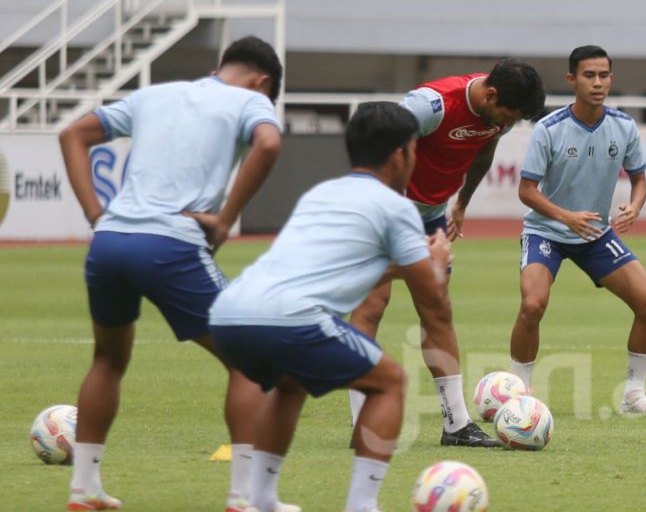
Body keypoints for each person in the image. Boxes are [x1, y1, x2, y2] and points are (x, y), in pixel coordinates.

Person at [58, 37, 285, 511]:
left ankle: (84, 489)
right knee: (249, 360)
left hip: (110, 244)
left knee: (108, 360)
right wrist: (224, 219)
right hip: (169, 244)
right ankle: (246, 499)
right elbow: (268, 142)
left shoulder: (153, 95)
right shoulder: (250, 101)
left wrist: (97, 216)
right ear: (263, 82)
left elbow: (71, 135)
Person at [209, 102, 451, 512]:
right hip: (287, 317)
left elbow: (334, 270)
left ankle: (260, 500)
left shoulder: (322, 193)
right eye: (415, 149)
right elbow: (433, 297)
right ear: (400, 155)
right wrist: (439, 263)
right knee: (389, 382)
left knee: (290, 383)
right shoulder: (397, 208)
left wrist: (393, 270)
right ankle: (362, 505)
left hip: (229, 312)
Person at [346, 58, 546, 447]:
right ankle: (361, 426)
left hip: (432, 216)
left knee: (437, 312)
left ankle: (456, 425)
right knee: (372, 307)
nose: (507, 124)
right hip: (384, 211)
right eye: (507, 115)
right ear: (490, 94)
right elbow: (376, 150)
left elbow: (485, 148)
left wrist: (461, 203)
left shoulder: (498, 116)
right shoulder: (430, 106)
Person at [508, 45, 646, 415]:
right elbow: (526, 191)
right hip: (546, 230)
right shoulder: (549, 129)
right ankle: (516, 394)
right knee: (533, 305)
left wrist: (635, 206)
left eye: (604, 75)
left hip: (594, 234)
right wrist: (565, 217)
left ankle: (633, 396)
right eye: (589, 75)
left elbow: (639, 180)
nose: (598, 83)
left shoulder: (623, 126)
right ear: (572, 80)